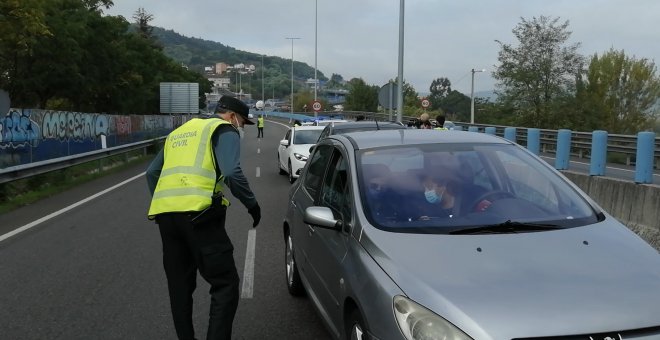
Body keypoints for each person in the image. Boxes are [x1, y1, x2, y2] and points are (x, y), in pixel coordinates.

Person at [145, 95, 261, 340]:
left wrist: (167, 203)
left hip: (166, 218)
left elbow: (152, 172)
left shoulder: (180, 131)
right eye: (241, 122)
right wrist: (252, 204)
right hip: (200, 217)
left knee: (179, 288)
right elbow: (231, 171)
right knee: (225, 284)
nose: (240, 128)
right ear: (231, 116)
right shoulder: (223, 130)